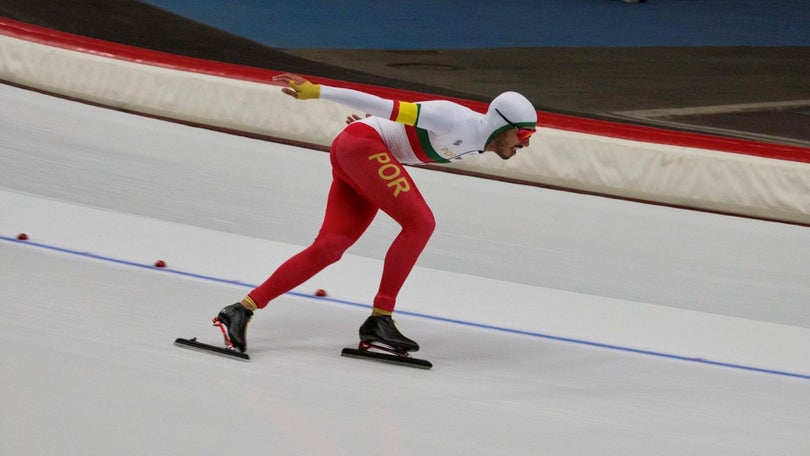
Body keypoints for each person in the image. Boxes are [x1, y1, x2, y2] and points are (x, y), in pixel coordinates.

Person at [215, 73, 537, 354]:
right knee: (421, 223)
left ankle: (240, 310)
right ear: (502, 124)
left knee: (330, 247)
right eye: (523, 135)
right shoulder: (454, 119)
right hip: (362, 147)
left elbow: (392, 127)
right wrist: (317, 91)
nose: (525, 145)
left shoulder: (478, 142)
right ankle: (380, 318)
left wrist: (371, 124)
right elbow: (384, 103)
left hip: (361, 149)